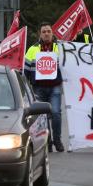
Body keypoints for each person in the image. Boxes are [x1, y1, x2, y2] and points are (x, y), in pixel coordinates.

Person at [24, 22, 65, 152]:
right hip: (38, 88)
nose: (46, 33)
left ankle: (57, 140)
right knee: (41, 117)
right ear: (39, 34)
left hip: (55, 86)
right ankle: (47, 142)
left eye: (48, 31)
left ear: (52, 33)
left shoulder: (60, 48)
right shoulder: (32, 49)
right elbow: (25, 70)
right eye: (44, 31)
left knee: (56, 113)